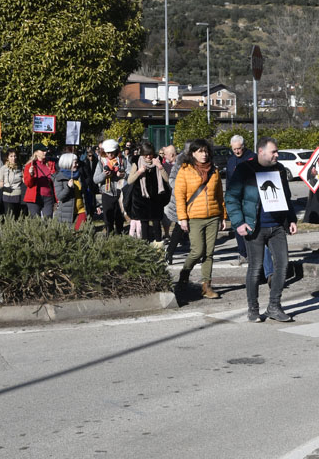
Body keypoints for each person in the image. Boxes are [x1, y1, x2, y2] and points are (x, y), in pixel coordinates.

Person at [226, 136, 298, 322]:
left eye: (277, 151)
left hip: (277, 226)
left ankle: (274, 306)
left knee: (282, 266)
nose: (277, 155)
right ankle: (253, 309)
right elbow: (231, 198)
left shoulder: (280, 169)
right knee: (255, 268)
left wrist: (291, 218)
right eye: (273, 152)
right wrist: (239, 222)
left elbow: (286, 196)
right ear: (261, 151)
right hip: (254, 227)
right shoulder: (245, 169)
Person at [175, 139, 228, 300]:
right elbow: (179, 196)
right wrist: (182, 218)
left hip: (213, 216)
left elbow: (219, 195)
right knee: (197, 251)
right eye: (199, 151)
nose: (203, 155)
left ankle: (206, 286)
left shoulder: (214, 170)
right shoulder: (185, 170)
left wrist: (222, 216)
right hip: (194, 218)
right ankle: (184, 276)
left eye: (205, 151)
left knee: (209, 253)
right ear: (192, 153)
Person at [127, 142, 171, 244]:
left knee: (157, 224)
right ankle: (145, 247)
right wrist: (139, 172)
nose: (148, 157)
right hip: (142, 199)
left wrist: (160, 167)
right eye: (146, 154)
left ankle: (158, 247)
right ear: (142, 154)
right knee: (144, 225)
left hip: (156, 199)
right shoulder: (137, 162)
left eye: (150, 154)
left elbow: (167, 179)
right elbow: (129, 181)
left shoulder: (157, 160)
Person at [94, 139, 128, 235]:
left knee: (119, 218)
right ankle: (109, 236)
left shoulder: (122, 160)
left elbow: (130, 175)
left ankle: (120, 236)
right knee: (108, 219)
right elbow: (95, 179)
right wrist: (104, 175)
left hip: (120, 193)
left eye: (112, 152)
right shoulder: (102, 162)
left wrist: (123, 175)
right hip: (107, 192)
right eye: (107, 152)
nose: (110, 154)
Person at [53, 152, 91, 229]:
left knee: (81, 233)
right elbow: (60, 197)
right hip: (66, 212)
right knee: (68, 237)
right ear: (67, 163)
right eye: (75, 163)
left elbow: (85, 193)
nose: (77, 165)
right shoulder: (59, 178)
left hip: (82, 210)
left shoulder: (79, 175)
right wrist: (68, 187)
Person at [23, 144, 57, 218]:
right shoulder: (30, 165)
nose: (45, 152)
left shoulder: (50, 164)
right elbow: (28, 183)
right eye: (43, 151)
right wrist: (30, 175)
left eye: (45, 151)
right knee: (35, 221)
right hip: (35, 197)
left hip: (48, 197)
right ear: (36, 152)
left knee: (48, 219)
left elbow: (54, 181)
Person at [0, 147, 24, 218]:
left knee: (18, 217)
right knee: (9, 218)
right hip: (7, 196)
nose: (13, 158)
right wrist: (1, 185)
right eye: (11, 156)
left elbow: (23, 180)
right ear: (7, 157)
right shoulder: (3, 169)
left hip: (18, 196)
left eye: (15, 156)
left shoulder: (20, 168)